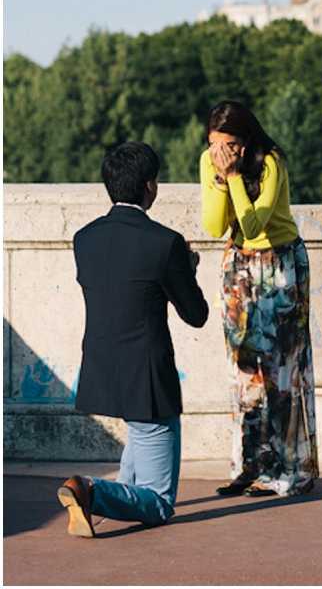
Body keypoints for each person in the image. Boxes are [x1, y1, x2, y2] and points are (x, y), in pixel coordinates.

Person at [57, 142, 209, 538]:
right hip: (148, 379)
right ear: (149, 186)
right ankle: (88, 491)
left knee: (139, 440)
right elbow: (196, 315)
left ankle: (91, 501)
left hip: (103, 369)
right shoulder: (166, 242)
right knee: (159, 503)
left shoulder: (83, 238)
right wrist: (187, 269)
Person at [200, 100, 319, 498]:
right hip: (238, 268)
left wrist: (233, 176)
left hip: (279, 265)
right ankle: (248, 465)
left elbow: (254, 223)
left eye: (228, 145)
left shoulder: (270, 163)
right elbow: (216, 225)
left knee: (280, 373)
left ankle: (286, 470)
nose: (220, 153)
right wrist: (220, 178)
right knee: (244, 372)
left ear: (246, 143)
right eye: (214, 144)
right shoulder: (210, 162)